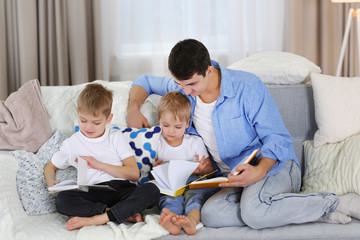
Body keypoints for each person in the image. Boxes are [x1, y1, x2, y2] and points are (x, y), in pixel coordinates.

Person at [126, 38, 360, 229]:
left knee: (254, 211)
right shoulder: (183, 87)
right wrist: (133, 108)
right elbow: (143, 81)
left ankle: (335, 202)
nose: (185, 91)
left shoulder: (247, 87)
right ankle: (306, 212)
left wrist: (259, 170)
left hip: (275, 166)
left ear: (208, 70)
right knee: (211, 215)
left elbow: (277, 139)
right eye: (179, 84)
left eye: (191, 85)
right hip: (230, 178)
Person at [44, 83, 160, 231]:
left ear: (108, 118)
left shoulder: (115, 137)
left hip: (119, 189)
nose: (89, 127)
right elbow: (50, 166)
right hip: (92, 192)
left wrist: (100, 165)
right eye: (83, 120)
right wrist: (51, 182)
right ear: (78, 112)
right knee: (62, 201)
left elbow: (134, 174)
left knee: (152, 190)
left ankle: (98, 219)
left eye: (96, 122)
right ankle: (118, 213)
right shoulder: (72, 143)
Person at [155, 90, 217, 235]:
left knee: (195, 197)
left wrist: (202, 169)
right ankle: (173, 220)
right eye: (166, 125)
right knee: (170, 199)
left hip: (192, 180)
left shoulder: (195, 142)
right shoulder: (156, 142)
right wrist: (155, 170)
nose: (171, 131)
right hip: (170, 184)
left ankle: (191, 221)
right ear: (159, 121)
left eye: (178, 127)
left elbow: (209, 170)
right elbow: (150, 175)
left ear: (187, 124)